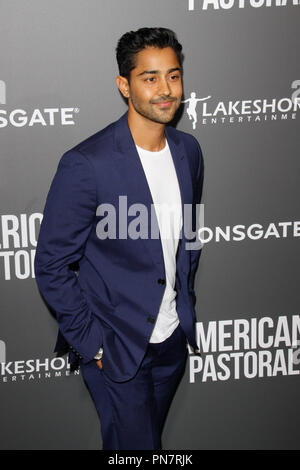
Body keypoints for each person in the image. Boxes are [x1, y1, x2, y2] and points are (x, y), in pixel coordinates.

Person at [34, 27, 204, 450]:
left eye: (174, 75)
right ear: (124, 85)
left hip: (171, 344)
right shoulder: (86, 164)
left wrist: (184, 310)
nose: (166, 90)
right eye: (150, 78)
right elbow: (52, 265)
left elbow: (186, 239)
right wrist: (92, 343)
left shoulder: (190, 151)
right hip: (115, 348)